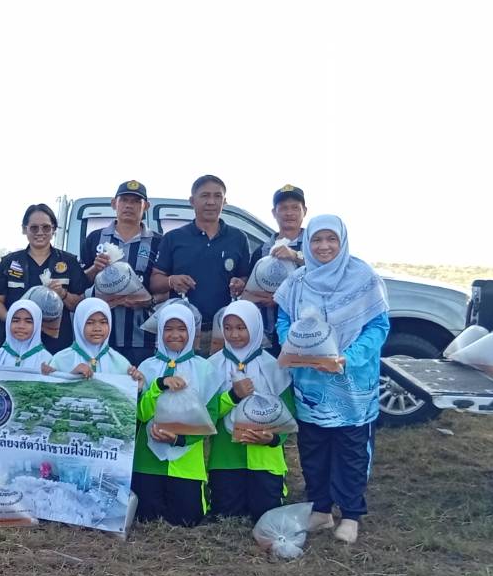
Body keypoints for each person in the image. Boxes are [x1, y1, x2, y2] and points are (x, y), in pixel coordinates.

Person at [274, 215, 390, 546]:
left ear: (342, 241)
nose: (324, 246)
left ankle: (351, 513)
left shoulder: (363, 277)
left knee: (351, 448)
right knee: (313, 447)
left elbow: (378, 327)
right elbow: (283, 319)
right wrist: (294, 346)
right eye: (316, 240)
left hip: (352, 384)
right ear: (306, 243)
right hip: (310, 382)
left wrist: (348, 359)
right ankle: (321, 509)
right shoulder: (297, 282)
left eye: (331, 239)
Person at [206, 301, 294, 521]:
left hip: (264, 455)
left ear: (255, 327)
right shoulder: (212, 366)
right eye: (228, 328)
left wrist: (273, 438)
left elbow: (288, 413)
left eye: (241, 327)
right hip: (226, 455)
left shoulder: (273, 365)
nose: (234, 334)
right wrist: (232, 396)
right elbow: (205, 415)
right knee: (225, 514)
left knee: (266, 513)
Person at [150, 175, 254, 353]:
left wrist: (240, 284)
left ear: (225, 201)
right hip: (182, 335)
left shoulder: (238, 238)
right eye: (205, 196)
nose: (211, 202)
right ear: (192, 201)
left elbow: (245, 279)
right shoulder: (174, 238)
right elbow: (154, 282)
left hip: (226, 334)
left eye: (217, 196)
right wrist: (171, 281)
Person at [133, 300, 214, 527]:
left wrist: (181, 439)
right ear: (159, 331)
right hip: (148, 458)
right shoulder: (146, 366)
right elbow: (141, 414)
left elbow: (212, 416)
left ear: (191, 331)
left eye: (181, 329)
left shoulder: (205, 369)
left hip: (186, 459)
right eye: (168, 329)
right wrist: (158, 385)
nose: (174, 335)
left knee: (188, 519)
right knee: (145, 517)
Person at [78, 181, 161, 365]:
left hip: (141, 338)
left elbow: (163, 287)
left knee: (137, 388)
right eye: (124, 200)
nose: (129, 206)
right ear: (114, 203)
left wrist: (149, 301)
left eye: (136, 201)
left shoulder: (158, 242)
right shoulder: (94, 238)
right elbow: (80, 284)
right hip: (99, 337)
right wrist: (95, 269)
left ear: (145, 206)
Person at [0, 203, 86, 353]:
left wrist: (63, 294)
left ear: (53, 229)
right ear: (24, 229)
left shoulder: (69, 262)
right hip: (15, 343)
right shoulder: (10, 262)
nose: (40, 232)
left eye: (46, 227)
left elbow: (80, 304)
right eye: (34, 227)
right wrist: (13, 322)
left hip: (56, 345)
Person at [243, 185, 308, 349]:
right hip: (268, 335)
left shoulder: (316, 245)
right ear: (274, 213)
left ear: (304, 211)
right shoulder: (263, 251)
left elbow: (326, 273)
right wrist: (243, 289)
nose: (289, 213)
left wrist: (295, 256)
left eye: (295, 207)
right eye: (283, 208)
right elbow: (250, 289)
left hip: (306, 332)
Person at [47, 299, 145, 383]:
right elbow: (48, 394)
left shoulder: (120, 363)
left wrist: (137, 385)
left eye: (103, 322)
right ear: (79, 324)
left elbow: (127, 398)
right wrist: (72, 376)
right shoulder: (60, 360)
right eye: (90, 322)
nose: (97, 328)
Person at [0, 299, 53, 373]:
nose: (21, 326)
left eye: (28, 322)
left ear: (37, 325)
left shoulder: (46, 359)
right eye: (16, 320)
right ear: (8, 322)